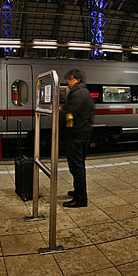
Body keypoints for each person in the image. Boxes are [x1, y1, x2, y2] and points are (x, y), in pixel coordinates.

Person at [59, 69, 94, 208]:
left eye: (69, 79)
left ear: (76, 79)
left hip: (76, 135)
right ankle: (78, 191)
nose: (67, 81)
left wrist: (60, 112)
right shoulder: (84, 92)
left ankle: (81, 199)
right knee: (78, 165)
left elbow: (69, 111)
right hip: (83, 132)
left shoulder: (77, 93)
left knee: (76, 167)